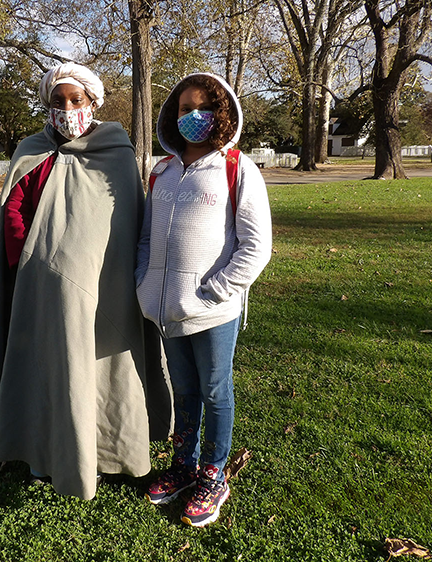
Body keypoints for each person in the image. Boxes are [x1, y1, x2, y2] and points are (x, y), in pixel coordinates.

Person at [0, 63, 171, 500]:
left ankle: (108, 453)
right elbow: (14, 212)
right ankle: (45, 452)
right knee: (47, 370)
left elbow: (126, 224)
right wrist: (36, 259)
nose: (67, 109)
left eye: (75, 100)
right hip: (38, 289)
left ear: (92, 102)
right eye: (58, 101)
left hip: (104, 292)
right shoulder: (31, 150)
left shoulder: (115, 151)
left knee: (101, 373)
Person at [136, 73, 272, 527]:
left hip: (214, 311)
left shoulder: (237, 168)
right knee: (185, 391)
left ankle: (214, 475)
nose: (192, 117)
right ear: (170, 118)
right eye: (182, 109)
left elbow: (256, 246)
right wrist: (144, 282)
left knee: (215, 392)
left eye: (202, 108)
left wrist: (214, 292)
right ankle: (184, 466)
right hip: (166, 308)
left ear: (220, 113)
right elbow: (144, 240)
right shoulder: (162, 171)